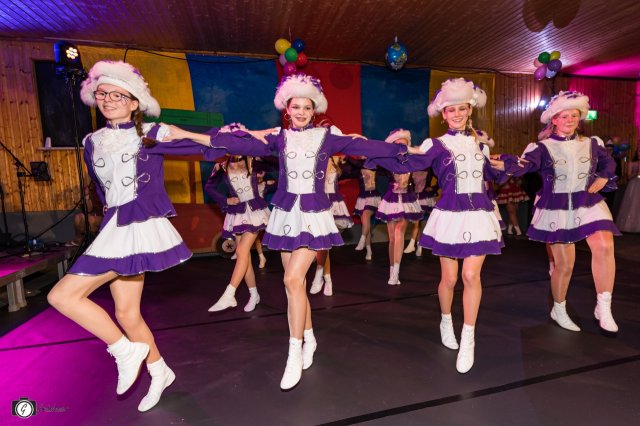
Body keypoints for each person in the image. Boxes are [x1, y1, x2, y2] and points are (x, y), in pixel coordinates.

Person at [164, 73, 417, 390]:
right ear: (287, 109)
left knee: (292, 280)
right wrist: (183, 133)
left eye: (307, 107)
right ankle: (309, 338)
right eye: (295, 107)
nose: (301, 112)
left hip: (313, 215)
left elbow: (363, 146)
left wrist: (408, 151)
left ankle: (294, 352)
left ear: (314, 110)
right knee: (294, 287)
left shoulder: (326, 137)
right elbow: (235, 143)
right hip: (285, 215)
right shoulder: (278, 138)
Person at [46, 61, 230, 412]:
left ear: (134, 103)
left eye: (118, 95)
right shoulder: (91, 142)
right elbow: (101, 188)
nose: (108, 99)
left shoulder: (150, 134)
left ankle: (124, 350)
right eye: (103, 93)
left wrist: (184, 133)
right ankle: (159, 371)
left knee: (62, 296)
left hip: (138, 225)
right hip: (114, 227)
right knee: (128, 315)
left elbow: (213, 148)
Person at [371, 78, 504, 373]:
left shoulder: (480, 144)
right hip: (449, 215)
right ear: (443, 114)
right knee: (450, 279)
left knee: (471, 275)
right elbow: (408, 162)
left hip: (479, 214)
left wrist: (508, 165)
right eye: (451, 110)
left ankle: (468, 337)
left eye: (462, 108)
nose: (457, 114)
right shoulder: (436, 145)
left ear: (470, 110)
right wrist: (380, 151)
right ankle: (446, 320)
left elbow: (492, 174)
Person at [496, 91, 620, 333]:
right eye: (564, 116)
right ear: (554, 119)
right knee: (564, 265)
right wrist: (504, 163)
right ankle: (559, 308)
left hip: (588, 201)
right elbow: (525, 165)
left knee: (605, 245)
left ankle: (604, 306)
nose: (570, 120)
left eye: (574, 115)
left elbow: (609, 163)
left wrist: (604, 177)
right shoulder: (542, 148)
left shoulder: (591, 144)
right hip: (557, 207)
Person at [204, 126, 272, 312]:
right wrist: (225, 200)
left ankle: (230, 293)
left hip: (255, 210)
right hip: (237, 212)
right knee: (244, 256)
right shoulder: (222, 166)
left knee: (241, 250)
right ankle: (253, 294)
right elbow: (209, 187)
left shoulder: (254, 161)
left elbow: (276, 162)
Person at [375, 129, 424, 285]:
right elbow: (372, 160)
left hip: (407, 199)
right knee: (392, 239)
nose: (402, 148)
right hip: (391, 200)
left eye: (404, 145)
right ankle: (392, 270)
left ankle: (396, 272)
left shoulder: (412, 161)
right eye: (398, 145)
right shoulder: (388, 162)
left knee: (399, 233)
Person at [310, 155, 354, 296]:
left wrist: (346, 158)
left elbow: (352, 170)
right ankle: (326, 279)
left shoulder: (336, 164)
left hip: (334, 206)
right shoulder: (316, 164)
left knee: (325, 245)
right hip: (319, 204)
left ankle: (323, 276)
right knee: (323, 245)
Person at [349, 156, 381, 261]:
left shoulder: (374, 163)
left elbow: (358, 163)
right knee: (365, 223)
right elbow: (348, 171)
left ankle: (362, 239)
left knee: (366, 215)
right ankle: (369, 250)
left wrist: (348, 157)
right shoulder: (358, 168)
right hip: (362, 198)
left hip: (373, 196)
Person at [404, 168, 437, 257]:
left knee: (424, 223)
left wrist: (434, 188)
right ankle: (418, 245)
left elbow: (440, 178)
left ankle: (415, 243)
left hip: (425, 197)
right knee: (416, 223)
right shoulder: (412, 168)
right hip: (415, 197)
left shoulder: (429, 169)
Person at [66, 181, 104, 246]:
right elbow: (89, 209)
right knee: (78, 217)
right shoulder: (93, 185)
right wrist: (86, 196)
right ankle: (78, 239)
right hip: (96, 215)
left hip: (106, 215)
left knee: (91, 220)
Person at [615, 151, 640, 232]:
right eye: (639, 151)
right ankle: (630, 225)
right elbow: (629, 177)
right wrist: (637, 173)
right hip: (634, 185)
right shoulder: (632, 163)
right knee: (633, 204)